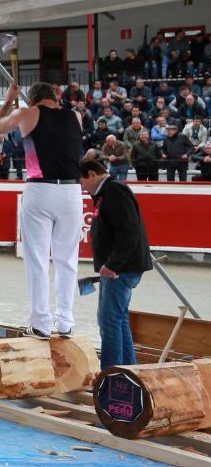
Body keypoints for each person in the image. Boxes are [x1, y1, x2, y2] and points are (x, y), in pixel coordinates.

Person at [0, 81, 84, 337]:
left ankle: (41, 323)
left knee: (37, 259)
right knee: (67, 260)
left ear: (32, 100)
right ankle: (65, 322)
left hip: (40, 189)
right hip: (71, 191)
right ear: (55, 97)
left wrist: (10, 100)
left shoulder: (26, 113)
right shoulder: (75, 115)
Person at [79, 159, 152, 371]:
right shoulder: (107, 192)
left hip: (119, 269)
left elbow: (129, 230)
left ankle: (110, 373)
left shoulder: (114, 192)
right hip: (120, 267)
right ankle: (127, 369)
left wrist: (113, 264)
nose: (82, 187)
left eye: (82, 181)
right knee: (117, 319)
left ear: (92, 174)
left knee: (109, 320)